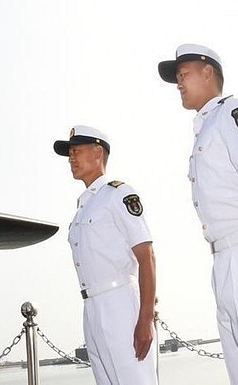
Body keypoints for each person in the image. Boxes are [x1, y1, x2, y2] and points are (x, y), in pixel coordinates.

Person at [158, 43, 238, 384]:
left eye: (183, 74)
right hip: (222, 258)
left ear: (208, 72)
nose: (178, 83)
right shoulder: (204, 127)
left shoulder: (230, 112)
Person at [53, 125, 157, 385]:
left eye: (76, 151)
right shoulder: (82, 208)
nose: (71, 159)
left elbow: (147, 257)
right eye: (69, 154)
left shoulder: (118, 194)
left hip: (120, 304)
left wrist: (145, 318)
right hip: (92, 308)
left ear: (98, 152)